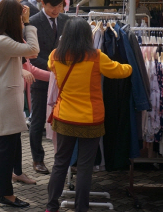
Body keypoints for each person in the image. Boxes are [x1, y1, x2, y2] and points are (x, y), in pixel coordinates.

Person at [46, 17, 132, 212]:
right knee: (85, 168)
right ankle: (81, 209)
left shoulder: (55, 55)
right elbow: (119, 72)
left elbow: (51, 68)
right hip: (90, 119)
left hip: (64, 116)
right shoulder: (96, 56)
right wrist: (132, 65)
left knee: (60, 163)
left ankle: (51, 206)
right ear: (87, 35)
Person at [0, 0, 39, 208]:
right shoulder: (1, 41)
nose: (21, 20)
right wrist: (29, 24)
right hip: (5, 99)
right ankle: (6, 193)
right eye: (18, 16)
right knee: (6, 147)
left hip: (4, 97)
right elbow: (33, 50)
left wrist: (23, 23)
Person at [29, 0, 69, 174]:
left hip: (64, 81)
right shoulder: (32, 23)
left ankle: (63, 158)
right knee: (37, 120)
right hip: (41, 79)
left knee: (63, 120)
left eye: (59, 6)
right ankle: (38, 159)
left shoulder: (66, 21)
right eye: (52, 6)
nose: (56, 10)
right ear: (42, 3)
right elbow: (30, 55)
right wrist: (53, 67)